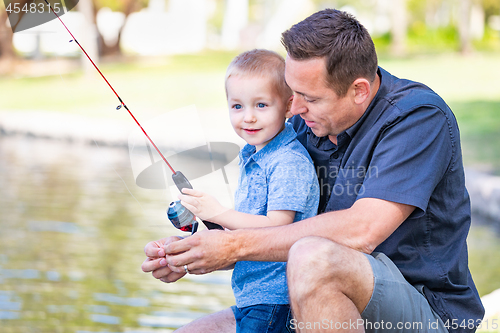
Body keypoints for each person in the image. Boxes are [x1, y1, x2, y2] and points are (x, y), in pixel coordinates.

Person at [142, 9, 484, 333]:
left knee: (312, 257)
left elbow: (361, 231)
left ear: (359, 90)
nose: (295, 108)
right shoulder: (304, 127)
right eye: (292, 93)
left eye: (311, 98)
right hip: (311, 300)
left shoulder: (417, 119)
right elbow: (273, 234)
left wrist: (232, 246)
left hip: (426, 311)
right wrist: (197, 250)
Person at [175, 49, 319, 332]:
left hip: (277, 299)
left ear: (289, 106)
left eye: (261, 105)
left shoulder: (288, 160)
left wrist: (220, 212)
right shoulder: (253, 154)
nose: (248, 117)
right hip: (251, 297)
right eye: (237, 106)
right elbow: (248, 229)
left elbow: (278, 226)